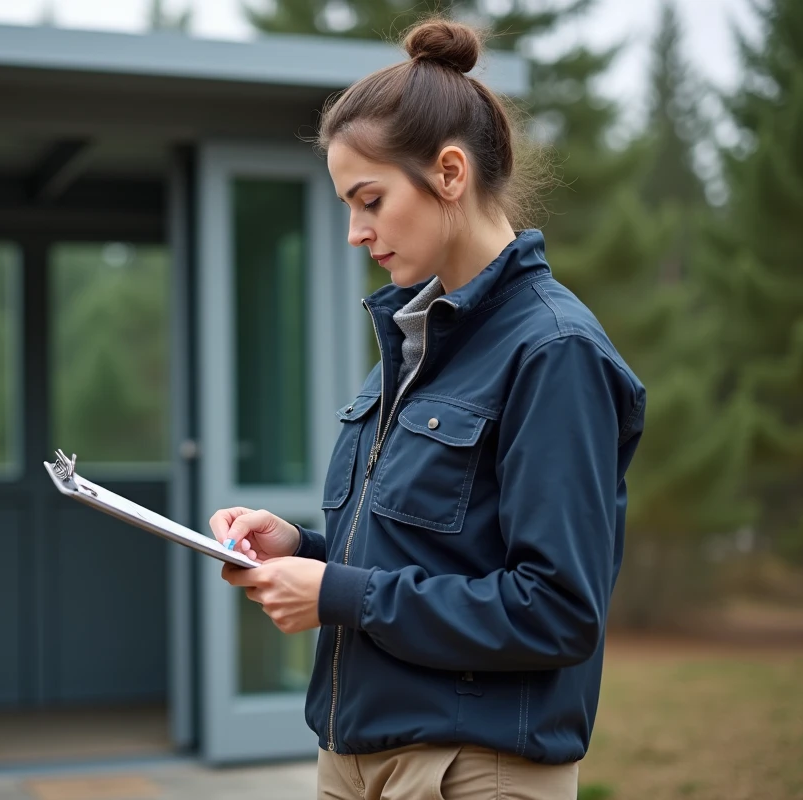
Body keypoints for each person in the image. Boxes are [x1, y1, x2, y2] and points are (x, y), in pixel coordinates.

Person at [209, 15, 647, 800]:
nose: (354, 232)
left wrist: (336, 593)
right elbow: (436, 553)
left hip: (470, 771)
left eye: (369, 199)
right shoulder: (411, 342)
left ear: (449, 173)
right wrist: (303, 547)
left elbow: (555, 610)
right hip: (353, 759)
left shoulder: (554, 352)